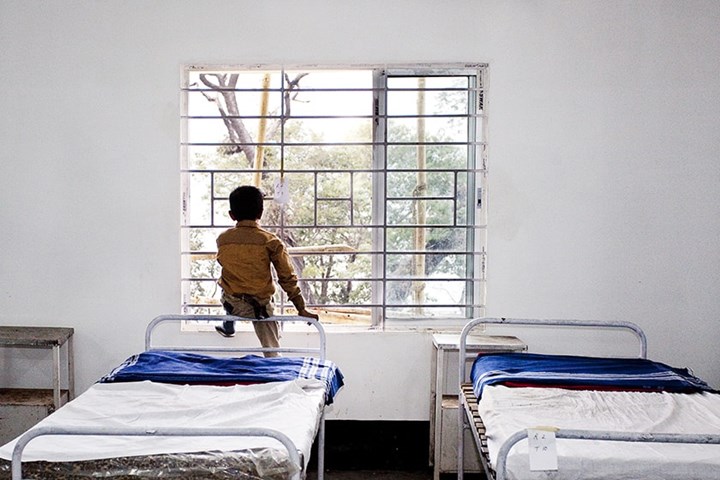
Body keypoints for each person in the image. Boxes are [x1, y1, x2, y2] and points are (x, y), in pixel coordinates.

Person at [215, 185, 318, 357]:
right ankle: (275, 366)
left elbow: (224, 262)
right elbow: (287, 279)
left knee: (229, 281)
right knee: (272, 349)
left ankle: (228, 323)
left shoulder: (223, 239)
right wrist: (301, 308)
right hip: (258, 308)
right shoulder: (271, 242)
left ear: (231, 215)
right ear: (260, 213)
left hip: (231, 302)